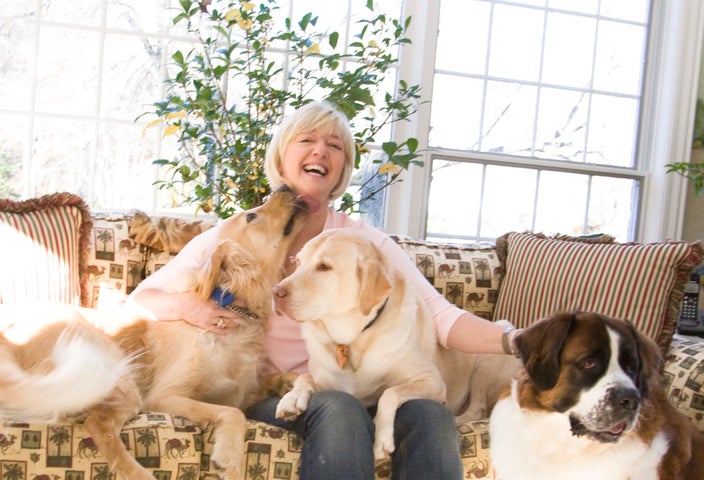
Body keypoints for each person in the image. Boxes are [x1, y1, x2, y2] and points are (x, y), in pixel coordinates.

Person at [127, 101, 519, 480]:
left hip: (366, 383)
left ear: (341, 172)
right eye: (307, 140)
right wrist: (190, 308)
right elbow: (140, 302)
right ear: (281, 157)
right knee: (337, 407)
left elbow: (440, 317)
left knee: (431, 415)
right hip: (279, 391)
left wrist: (515, 341)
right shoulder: (238, 234)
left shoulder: (364, 244)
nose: (321, 151)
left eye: (334, 147)